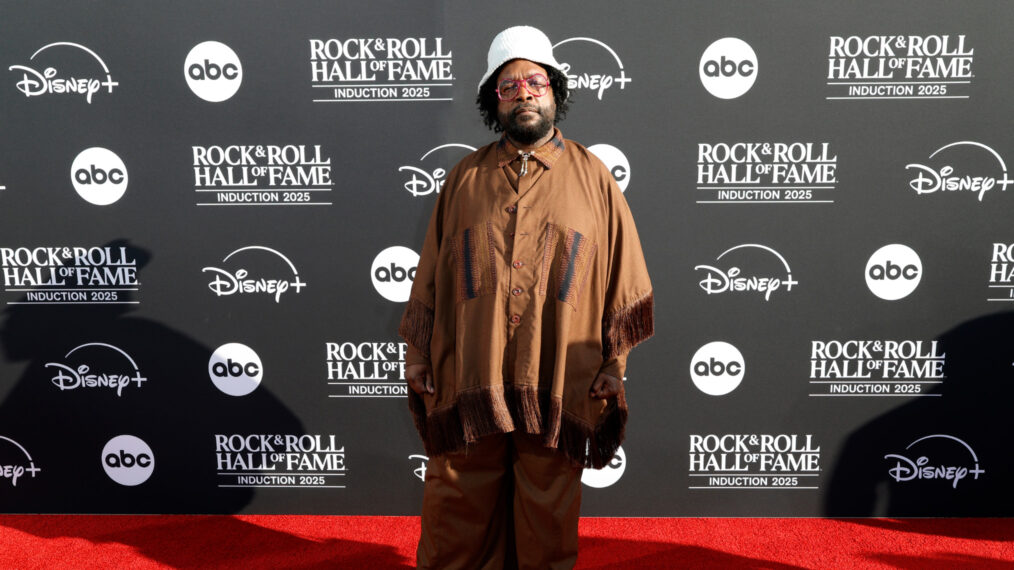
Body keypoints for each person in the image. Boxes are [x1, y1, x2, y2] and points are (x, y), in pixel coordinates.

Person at [399, 25, 654, 569]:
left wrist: (615, 361)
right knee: (457, 498)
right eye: (508, 87)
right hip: (471, 368)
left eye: (535, 82)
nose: (524, 94)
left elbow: (621, 275)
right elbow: (432, 272)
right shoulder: (463, 178)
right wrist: (418, 352)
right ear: (494, 101)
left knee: (548, 506)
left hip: (558, 372)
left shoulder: (595, 179)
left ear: (555, 90)